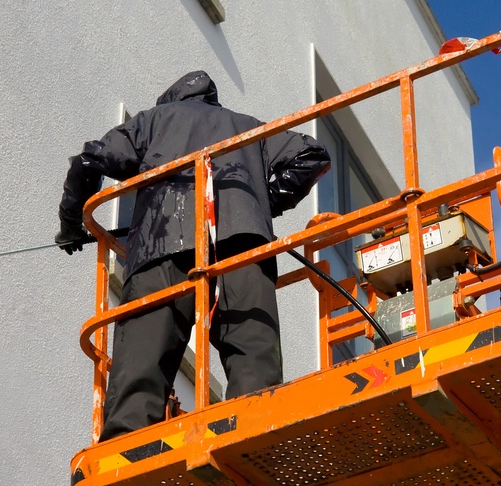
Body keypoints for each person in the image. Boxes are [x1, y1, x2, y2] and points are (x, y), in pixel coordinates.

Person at [56, 70, 330, 442]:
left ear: (171, 100)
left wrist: (72, 224)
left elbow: (88, 162)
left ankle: (127, 443)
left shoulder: (154, 120)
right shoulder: (248, 127)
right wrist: (258, 205)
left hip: (161, 243)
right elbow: (313, 155)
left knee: (143, 355)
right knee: (252, 350)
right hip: (242, 241)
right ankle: (253, 428)